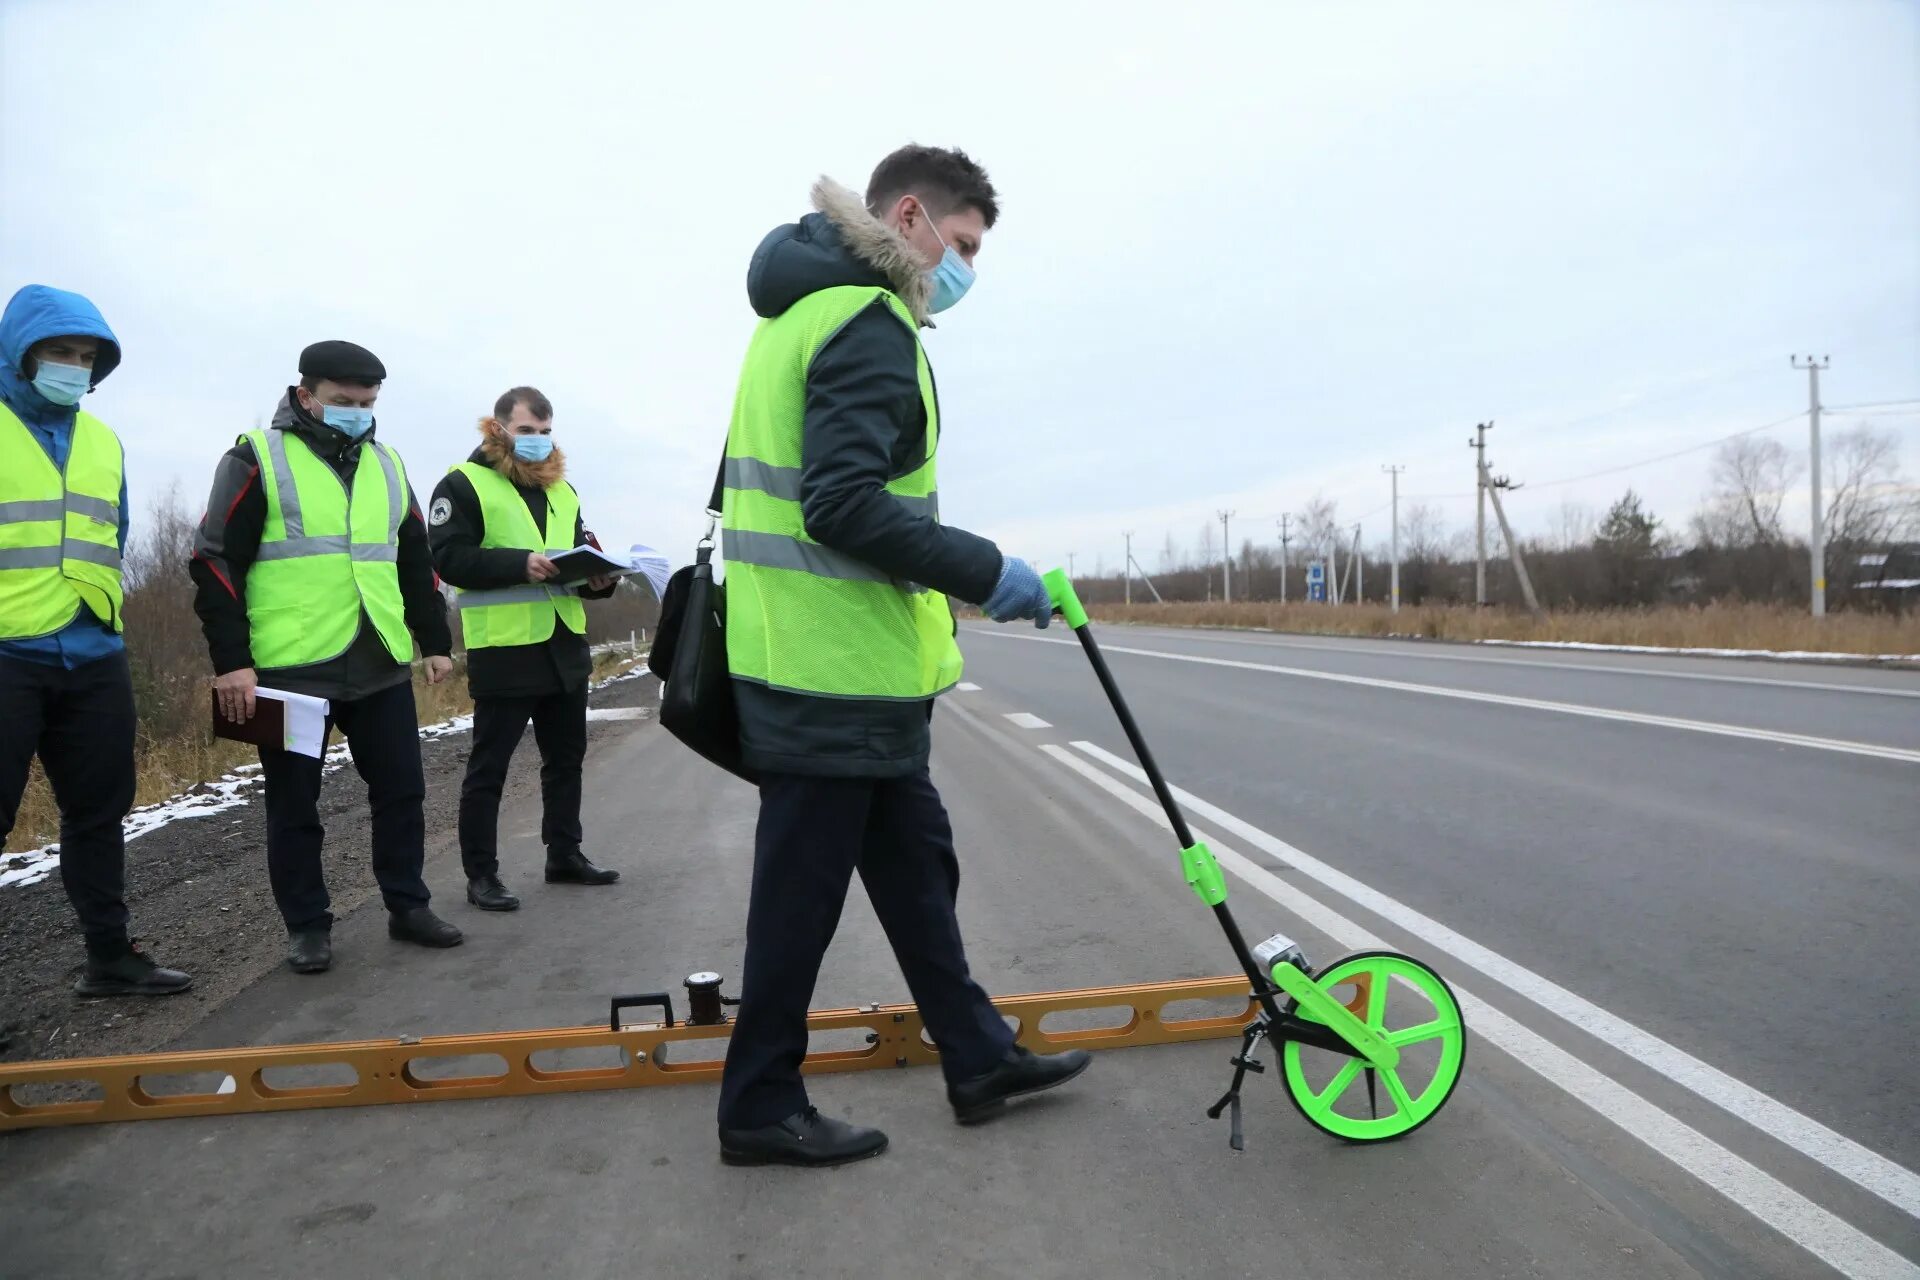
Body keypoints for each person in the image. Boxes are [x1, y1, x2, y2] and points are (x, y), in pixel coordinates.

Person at [714, 145, 1084, 1168]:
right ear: (912, 217)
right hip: (828, 671)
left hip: (847, 668)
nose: (965, 271)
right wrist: (988, 571)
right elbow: (841, 505)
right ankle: (757, 1103)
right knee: (799, 899)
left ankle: (977, 1055)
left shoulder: (803, 311)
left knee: (917, 871)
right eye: (963, 246)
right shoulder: (866, 320)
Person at [189, 340, 462, 974]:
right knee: (293, 807)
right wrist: (233, 660)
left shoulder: (389, 463)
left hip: (378, 660)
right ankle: (307, 926)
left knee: (401, 793)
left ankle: (408, 906)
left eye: (368, 404)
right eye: (344, 402)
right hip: (290, 666)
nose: (358, 414)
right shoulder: (255, 456)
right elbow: (214, 561)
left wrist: (435, 641)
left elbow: (414, 557)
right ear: (306, 395)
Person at [0, 284, 192, 997]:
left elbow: (116, 535)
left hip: (92, 651)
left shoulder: (103, 439)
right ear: (20, 352)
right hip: (7, 653)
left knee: (99, 811)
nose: (74, 367)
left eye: (87, 357)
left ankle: (109, 957)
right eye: (59, 352)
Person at [427, 386, 621, 912]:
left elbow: (576, 558)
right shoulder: (464, 484)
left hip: (563, 644)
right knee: (490, 767)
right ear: (498, 428)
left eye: (545, 431)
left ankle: (565, 855)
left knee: (566, 760)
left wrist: (598, 582)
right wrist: (518, 563)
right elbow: (448, 558)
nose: (537, 441)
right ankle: (481, 876)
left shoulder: (565, 491)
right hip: (507, 648)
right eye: (526, 431)